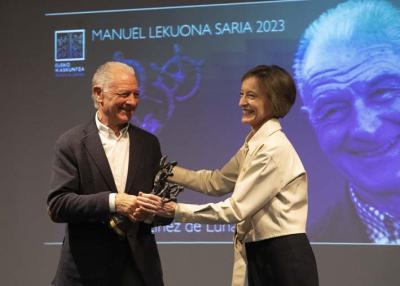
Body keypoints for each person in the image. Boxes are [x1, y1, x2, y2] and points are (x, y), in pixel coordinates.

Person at [136, 65, 319, 286]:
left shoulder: (272, 149)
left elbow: (235, 210)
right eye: (242, 94)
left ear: (274, 101)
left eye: (251, 96)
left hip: (283, 257)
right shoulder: (255, 142)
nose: (241, 103)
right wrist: (163, 170)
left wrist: (175, 210)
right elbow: (216, 182)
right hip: (264, 252)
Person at [47, 61, 170, 286]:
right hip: (84, 273)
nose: (132, 102)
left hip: (138, 272)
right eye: (124, 94)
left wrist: (155, 211)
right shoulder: (71, 143)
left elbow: (164, 209)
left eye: (136, 94)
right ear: (98, 94)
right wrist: (114, 202)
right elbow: (58, 205)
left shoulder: (149, 144)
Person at [293, 0, 400, 244]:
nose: (366, 128)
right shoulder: (302, 258)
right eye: (332, 109)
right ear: (312, 123)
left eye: (383, 92)